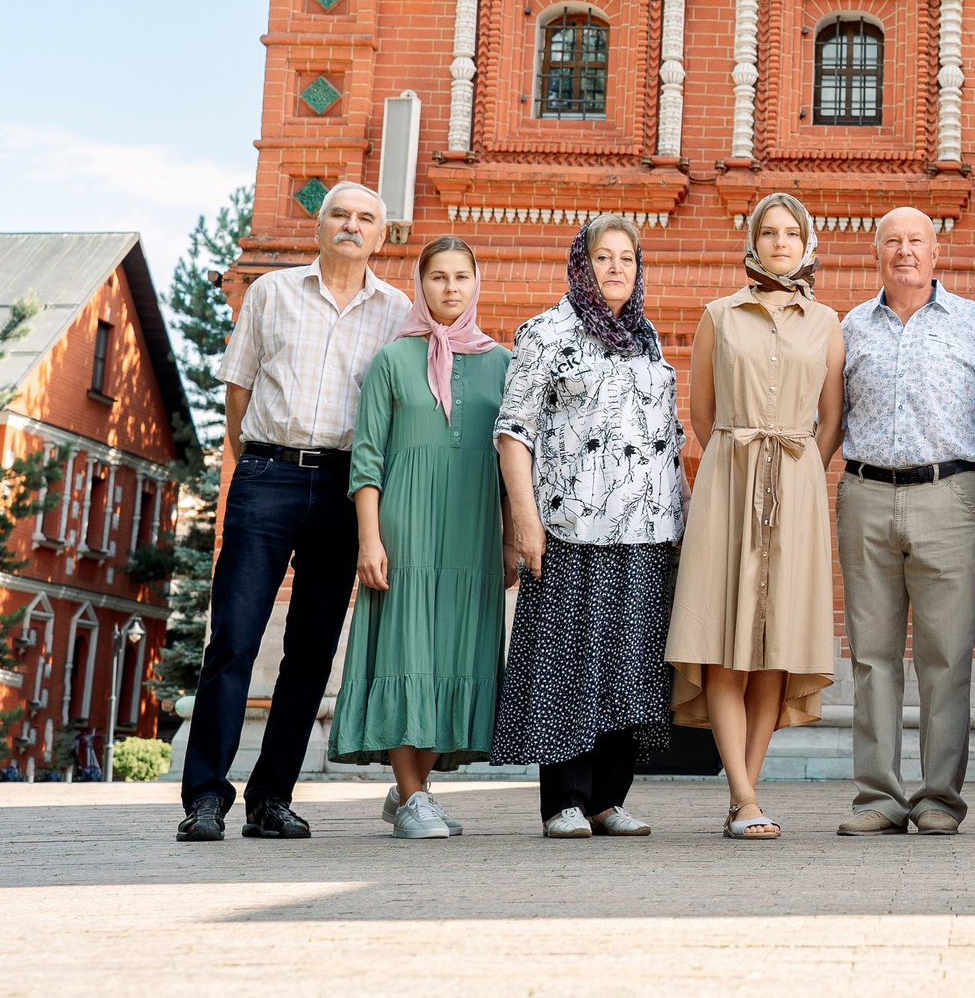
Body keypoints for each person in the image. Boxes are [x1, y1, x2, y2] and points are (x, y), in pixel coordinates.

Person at [179, 182, 409, 843]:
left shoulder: (394, 311)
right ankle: (204, 796)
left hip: (345, 485)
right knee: (233, 639)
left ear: (380, 236)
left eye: (366, 217)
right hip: (267, 475)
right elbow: (238, 388)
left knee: (310, 651)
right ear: (320, 224)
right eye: (340, 212)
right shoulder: (272, 293)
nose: (351, 224)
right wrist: (256, 461)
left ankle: (271, 797)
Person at [489, 216, 689, 838]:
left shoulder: (645, 337)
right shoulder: (546, 333)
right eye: (603, 257)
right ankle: (565, 802)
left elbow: (665, 436)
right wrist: (525, 521)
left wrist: (683, 508)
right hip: (571, 527)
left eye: (627, 258)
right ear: (582, 262)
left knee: (630, 662)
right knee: (569, 661)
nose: (616, 269)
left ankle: (608, 798)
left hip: (647, 530)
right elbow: (513, 431)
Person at [831, 207, 975, 836]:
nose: (905, 251)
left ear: (937, 253)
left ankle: (940, 797)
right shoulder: (849, 327)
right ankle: (878, 797)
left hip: (949, 496)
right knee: (872, 654)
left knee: (947, 654)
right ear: (876, 252)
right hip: (865, 494)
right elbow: (831, 420)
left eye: (917, 241)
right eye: (893, 242)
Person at [667, 192, 843, 841]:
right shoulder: (720, 314)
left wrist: (797, 469)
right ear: (753, 240)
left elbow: (831, 418)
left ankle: (747, 789)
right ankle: (743, 795)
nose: (779, 242)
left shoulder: (826, 320)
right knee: (724, 646)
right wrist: (740, 458)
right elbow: (703, 413)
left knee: (774, 649)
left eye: (790, 232)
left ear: (806, 242)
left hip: (795, 485)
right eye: (767, 232)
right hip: (729, 480)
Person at [331, 237, 511, 839]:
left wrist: (513, 538)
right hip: (404, 530)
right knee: (406, 655)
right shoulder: (392, 359)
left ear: (476, 283)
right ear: (421, 283)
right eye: (438, 277)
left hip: (473, 534)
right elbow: (367, 459)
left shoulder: (503, 363)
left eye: (462, 276)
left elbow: (517, 462)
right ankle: (412, 797)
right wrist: (369, 539)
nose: (450, 288)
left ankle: (414, 790)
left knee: (455, 656)